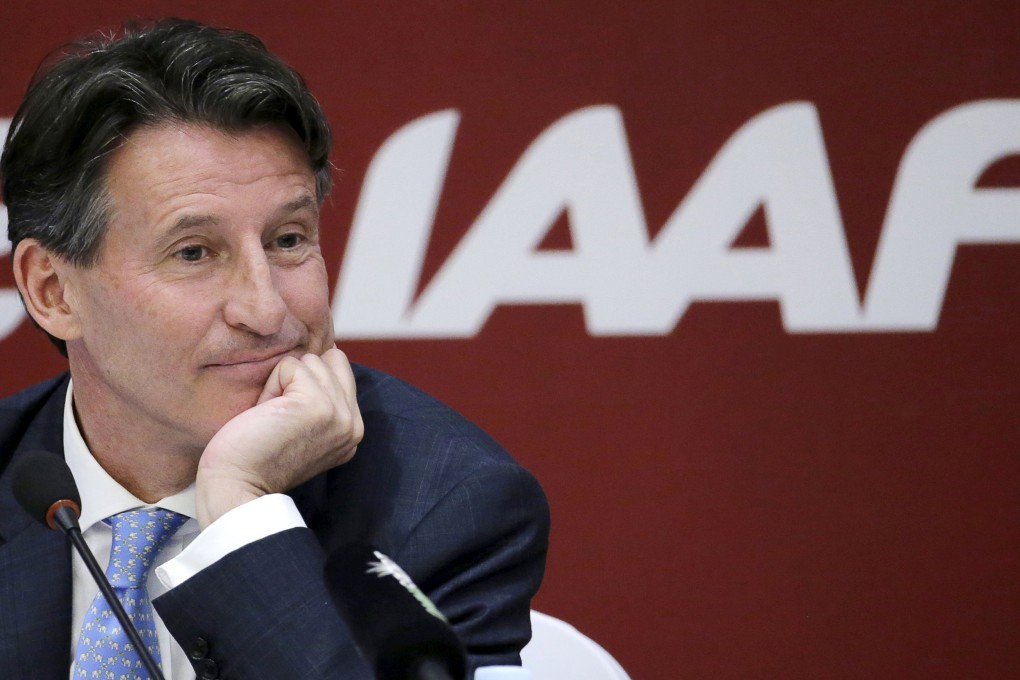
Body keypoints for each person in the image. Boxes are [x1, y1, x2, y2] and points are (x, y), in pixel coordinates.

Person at [0, 18, 549, 680]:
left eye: (288, 240)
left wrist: (242, 508)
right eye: (194, 252)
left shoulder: (444, 508)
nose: (266, 310)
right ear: (53, 291)